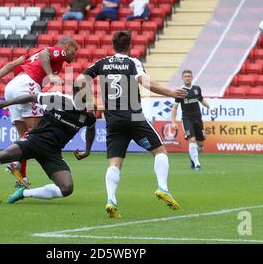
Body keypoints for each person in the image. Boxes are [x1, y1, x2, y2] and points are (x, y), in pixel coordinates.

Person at [77, 31, 187, 218]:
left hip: (112, 120)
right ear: (129, 46)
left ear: (113, 45)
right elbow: (146, 83)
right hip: (134, 116)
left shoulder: (102, 63)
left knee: (115, 163)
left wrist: (88, 101)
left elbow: (80, 80)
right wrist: (171, 93)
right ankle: (163, 188)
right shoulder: (132, 62)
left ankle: (111, 200)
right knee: (160, 151)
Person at [0, 91, 96, 205]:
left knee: (67, 188)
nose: (90, 107)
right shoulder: (59, 99)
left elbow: (91, 128)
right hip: (34, 140)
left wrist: (87, 150)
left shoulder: (89, 116)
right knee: (4, 156)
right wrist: (5, 104)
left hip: (53, 153)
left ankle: (24, 193)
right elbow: (31, 97)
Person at [0, 37, 78, 187]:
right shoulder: (59, 51)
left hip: (12, 87)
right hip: (27, 85)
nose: (75, 55)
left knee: (24, 135)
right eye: (75, 51)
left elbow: (10, 65)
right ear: (68, 47)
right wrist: (51, 75)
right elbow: (45, 54)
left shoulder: (31, 54)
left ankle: (22, 177)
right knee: (35, 132)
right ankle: (15, 161)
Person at [170, 70, 210, 171]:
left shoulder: (197, 89)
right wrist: (173, 122)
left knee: (200, 144)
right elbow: (175, 108)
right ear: (182, 78)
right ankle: (197, 164)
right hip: (187, 119)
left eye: (189, 76)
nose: (187, 78)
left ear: (192, 77)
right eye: (185, 76)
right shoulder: (180, 91)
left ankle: (193, 157)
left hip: (198, 119)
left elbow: (201, 100)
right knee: (192, 140)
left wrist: (210, 107)